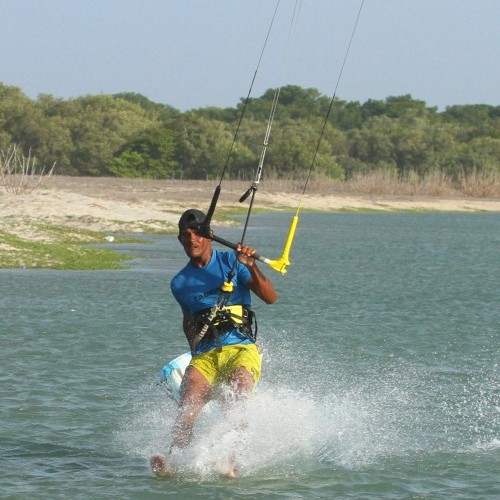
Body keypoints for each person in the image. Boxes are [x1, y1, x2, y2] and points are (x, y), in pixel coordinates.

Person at [150, 208, 277, 477]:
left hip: (241, 347)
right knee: (188, 404)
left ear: (210, 236)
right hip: (206, 355)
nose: (192, 240)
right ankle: (173, 460)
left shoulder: (233, 262)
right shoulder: (179, 283)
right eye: (186, 235)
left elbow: (270, 297)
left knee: (240, 387)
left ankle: (232, 460)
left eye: (197, 234)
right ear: (180, 239)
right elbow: (188, 321)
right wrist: (195, 356)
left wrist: (251, 265)